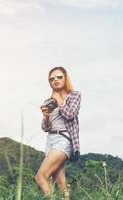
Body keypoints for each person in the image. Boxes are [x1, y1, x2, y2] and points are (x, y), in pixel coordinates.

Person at [34, 66, 81, 200]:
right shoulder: (48, 101)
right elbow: (45, 127)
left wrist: (59, 99)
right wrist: (47, 116)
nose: (55, 80)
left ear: (65, 78)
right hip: (50, 140)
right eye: (52, 79)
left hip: (64, 139)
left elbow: (70, 114)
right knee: (61, 184)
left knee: (40, 176)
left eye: (59, 77)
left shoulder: (74, 96)